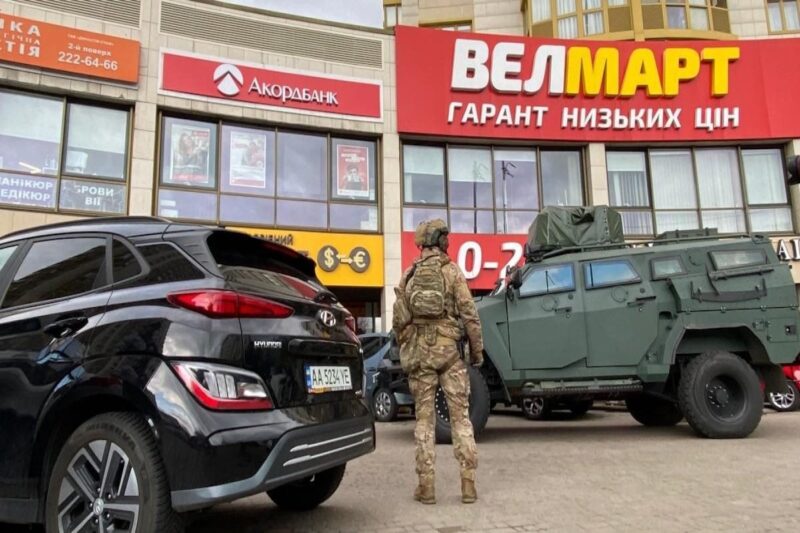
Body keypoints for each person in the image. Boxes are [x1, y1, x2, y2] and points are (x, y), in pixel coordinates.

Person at [392, 219, 484, 505]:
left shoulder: (409, 275)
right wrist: (477, 351)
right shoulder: (452, 271)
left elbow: (398, 320)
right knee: (461, 420)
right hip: (450, 357)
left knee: (424, 422)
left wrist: (409, 343)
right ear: (440, 241)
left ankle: (427, 487)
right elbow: (470, 315)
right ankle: (468, 485)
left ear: (421, 243)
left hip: (420, 358)